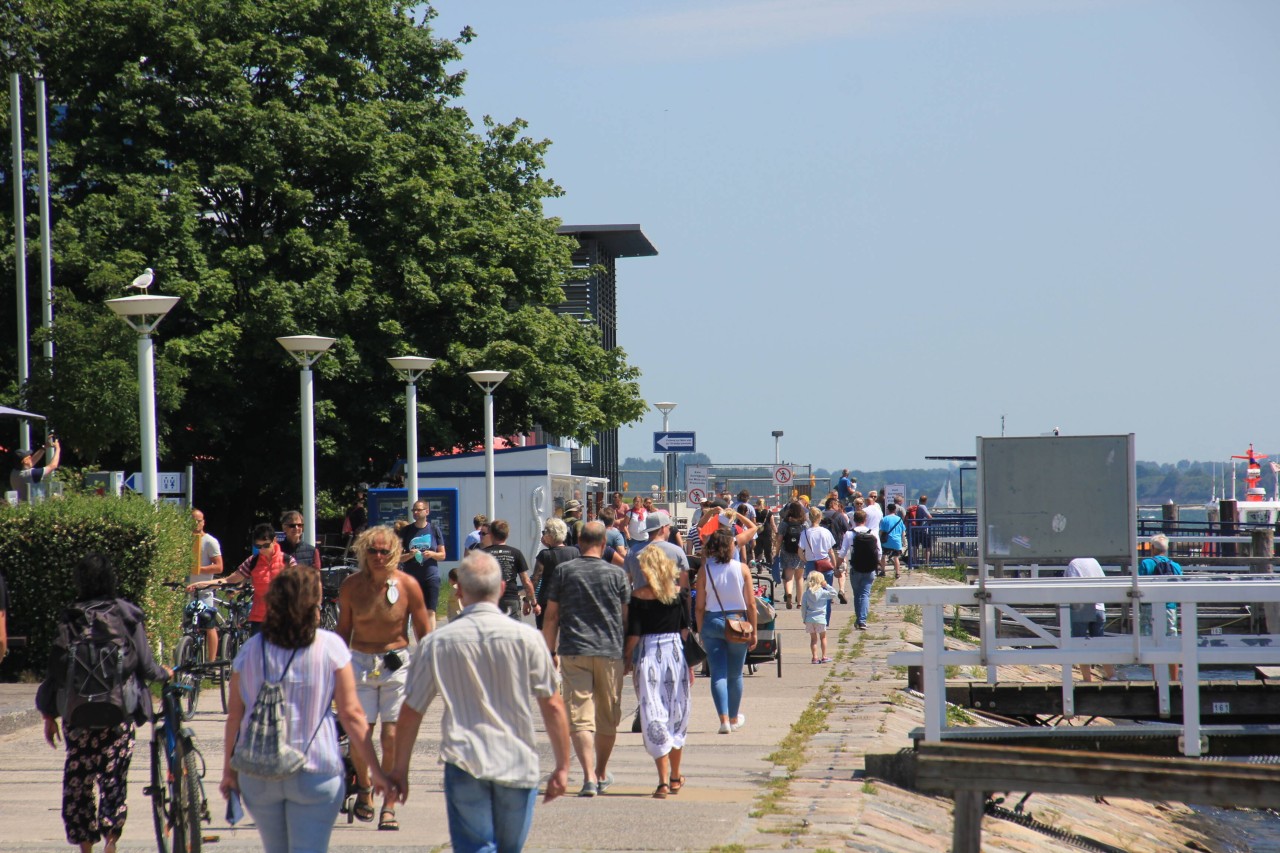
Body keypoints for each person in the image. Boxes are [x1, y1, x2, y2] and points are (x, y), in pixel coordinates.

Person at [390, 550, 570, 852]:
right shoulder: (528, 639)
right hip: (517, 761)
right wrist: (562, 766)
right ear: (501, 588)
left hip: (465, 761)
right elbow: (552, 704)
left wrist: (400, 770)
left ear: (459, 590)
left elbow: (411, 711)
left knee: (475, 847)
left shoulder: (438, 643)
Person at [222, 565, 393, 852]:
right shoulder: (330, 647)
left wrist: (229, 771)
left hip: (259, 772)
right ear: (313, 603)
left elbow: (235, 717)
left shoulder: (250, 649)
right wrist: (375, 772)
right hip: (316, 768)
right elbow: (352, 715)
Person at [36, 553, 170, 853]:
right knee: (113, 778)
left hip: (76, 716)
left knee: (79, 783)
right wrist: (166, 673)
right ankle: (111, 839)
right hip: (118, 713)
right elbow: (147, 667)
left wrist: (48, 713)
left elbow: (55, 670)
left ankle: (86, 848)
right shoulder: (126, 615)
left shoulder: (70, 617)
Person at [336, 525, 430, 830]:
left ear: (395, 553)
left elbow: (424, 632)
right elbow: (343, 630)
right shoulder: (351, 586)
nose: (378, 557)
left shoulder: (408, 585)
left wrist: (429, 668)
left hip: (396, 664)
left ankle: (389, 803)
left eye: (384, 551)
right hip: (359, 662)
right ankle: (365, 788)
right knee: (359, 736)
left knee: (391, 738)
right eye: (372, 551)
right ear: (363, 552)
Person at [541, 521, 628, 797]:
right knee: (607, 716)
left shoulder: (564, 572)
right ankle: (601, 771)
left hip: (573, 650)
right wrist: (629, 654)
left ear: (579, 542)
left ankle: (589, 776)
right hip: (609, 652)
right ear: (604, 545)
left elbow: (551, 616)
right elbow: (627, 619)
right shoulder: (617, 575)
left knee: (579, 717)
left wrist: (549, 651)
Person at [624, 546, 693, 799]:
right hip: (675, 655)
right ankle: (675, 777)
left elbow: (633, 635)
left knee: (653, 712)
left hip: (650, 655)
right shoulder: (678, 594)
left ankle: (663, 781)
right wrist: (689, 665)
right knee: (677, 712)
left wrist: (626, 658)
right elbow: (685, 632)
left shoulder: (638, 596)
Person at [695, 527, 758, 735]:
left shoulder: (705, 569)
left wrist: (701, 628)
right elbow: (751, 604)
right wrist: (754, 631)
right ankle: (733, 717)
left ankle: (722, 719)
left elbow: (699, 605)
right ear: (731, 546)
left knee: (717, 673)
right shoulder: (742, 569)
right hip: (738, 621)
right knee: (735, 674)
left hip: (712, 621)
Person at [189, 523, 297, 634]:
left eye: (266, 546)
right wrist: (200, 584)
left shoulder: (288, 561)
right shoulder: (253, 561)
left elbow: (298, 588)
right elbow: (229, 580)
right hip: (259, 619)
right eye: (258, 546)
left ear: (274, 541)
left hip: (283, 618)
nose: (262, 550)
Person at [1064, 557, 1116, 682]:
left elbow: (1069, 585)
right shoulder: (1094, 562)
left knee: (1081, 643)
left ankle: (1087, 679)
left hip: (1082, 606)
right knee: (1100, 643)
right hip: (1099, 606)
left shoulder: (1074, 563)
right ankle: (1112, 675)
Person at [1138, 533, 1182, 681]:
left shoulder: (1146, 563)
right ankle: (1174, 679)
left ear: (1152, 548)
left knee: (1152, 642)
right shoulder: (1175, 566)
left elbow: (1140, 586)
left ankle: (1156, 679)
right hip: (1170, 607)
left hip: (1150, 607)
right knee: (1172, 642)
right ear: (1166, 549)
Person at [398, 499, 445, 630]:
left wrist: (432, 554)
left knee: (430, 612)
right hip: (412, 578)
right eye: (414, 510)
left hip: (430, 576)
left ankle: (430, 643)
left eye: (419, 510)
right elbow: (398, 558)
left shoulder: (434, 530)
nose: (416, 513)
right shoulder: (406, 531)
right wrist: (409, 555)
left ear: (427, 511)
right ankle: (421, 644)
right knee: (415, 613)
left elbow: (442, 555)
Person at [623, 510, 691, 596]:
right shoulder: (677, 551)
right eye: (668, 527)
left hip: (641, 604)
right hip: (670, 604)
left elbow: (626, 585)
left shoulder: (632, 552)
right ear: (663, 529)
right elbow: (685, 587)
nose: (670, 530)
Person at [530, 517, 579, 630]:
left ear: (549, 535)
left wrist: (529, 600)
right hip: (569, 600)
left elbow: (536, 578)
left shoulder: (544, 555)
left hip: (547, 600)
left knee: (545, 637)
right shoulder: (574, 551)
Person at [483, 519, 537, 620]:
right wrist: (533, 603)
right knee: (513, 633)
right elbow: (526, 581)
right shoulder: (515, 553)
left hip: (489, 599)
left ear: (491, 534)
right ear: (507, 535)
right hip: (510, 598)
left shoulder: (483, 554)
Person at [190, 508, 225, 661]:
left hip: (203, 590)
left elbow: (219, 567)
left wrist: (198, 568)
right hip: (186, 589)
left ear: (203, 522)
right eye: (193, 520)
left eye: (199, 520)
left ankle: (210, 661)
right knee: (187, 625)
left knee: (209, 624)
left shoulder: (209, 541)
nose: (196, 523)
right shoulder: (183, 539)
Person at [839, 509, 882, 630]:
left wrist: (837, 566)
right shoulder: (873, 533)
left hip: (856, 567)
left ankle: (859, 619)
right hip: (869, 568)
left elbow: (842, 553)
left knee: (857, 594)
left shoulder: (849, 534)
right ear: (865, 520)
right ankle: (861, 621)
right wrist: (877, 564)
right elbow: (879, 552)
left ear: (853, 520)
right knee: (865, 594)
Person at [799, 506, 839, 623]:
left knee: (811, 593)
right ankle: (825, 620)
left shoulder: (805, 533)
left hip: (812, 564)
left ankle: (811, 618)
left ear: (809, 518)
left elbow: (800, 551)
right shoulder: (826, 532)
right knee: (826, 592)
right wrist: (835, 565)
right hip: (825, 563)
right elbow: (831, 550)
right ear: (820, 517)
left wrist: (805, 560)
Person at [802, 571, 838, 663]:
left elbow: (803, 607)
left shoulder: (806, 594)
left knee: (813, 639)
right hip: (820, 618)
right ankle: (824, 656)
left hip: (809, 618)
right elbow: (834, 593)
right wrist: (827, 586)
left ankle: (814, 657)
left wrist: (804, 618)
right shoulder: (823, 592)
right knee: (823, 637)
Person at [10, 437, 61, 502]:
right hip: (34, 507)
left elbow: (32, 461)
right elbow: (53, 465)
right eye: (29, 457)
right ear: (25, 461)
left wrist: (44, 447)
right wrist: (58, 449)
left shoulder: (14, 473)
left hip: (22, 507)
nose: (31, 457)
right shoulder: (32, 474)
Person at [777, 501, 807, 609]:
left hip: (787, 551)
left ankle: (788, 593)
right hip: (800, 552)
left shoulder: (784, 523)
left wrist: (776, 552)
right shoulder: (804, 524)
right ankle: (799, 602)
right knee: (799, 578)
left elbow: (779, 539)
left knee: (788, 577)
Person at [879, 503, 907, 579]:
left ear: (888, 510)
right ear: (895, 510)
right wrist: (904, 542)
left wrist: (879, 538)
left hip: (886, 541)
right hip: (896, 541)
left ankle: (883, 571)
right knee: (896, 557)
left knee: (883, 556)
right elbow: (903, 532)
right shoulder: (899, 519)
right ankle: (897, 573)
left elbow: (881, 531)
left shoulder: (885, 519)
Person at [907, 495, 933, 567]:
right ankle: (927, 563)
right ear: (925, 501)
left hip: (915, 529)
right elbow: (929, 517)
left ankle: (914, 562)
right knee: (927, 547)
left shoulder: (917, 506)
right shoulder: (923, 507)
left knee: (915, 546)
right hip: (923, 530)